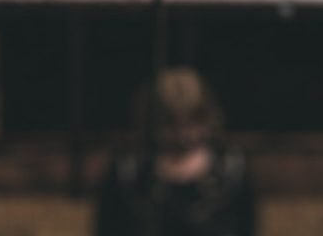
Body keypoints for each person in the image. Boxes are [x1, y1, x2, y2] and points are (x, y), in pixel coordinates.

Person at [92, 67, 256, 236]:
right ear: (151, 122)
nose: (183, 135)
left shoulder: (231, 173)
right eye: (170, 124)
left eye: (194, 121)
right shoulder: (127, 173)